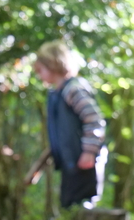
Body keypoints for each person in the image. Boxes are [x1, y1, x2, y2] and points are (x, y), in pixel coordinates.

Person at [33, 40, 106, 209]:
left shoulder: (74, 90)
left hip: (84, 162)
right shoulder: (57, 94)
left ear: (53, 64)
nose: (39, 75)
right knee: (68, 204)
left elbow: (94, 120)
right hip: (71, 163)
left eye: (40, 70)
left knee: (82, 205)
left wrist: (89, 152)